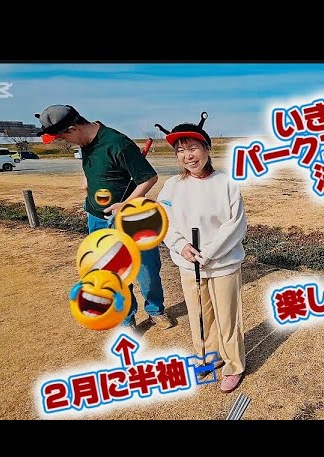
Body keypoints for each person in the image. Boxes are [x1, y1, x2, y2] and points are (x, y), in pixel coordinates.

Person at [35, 104, 171, 330]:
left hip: (132, 219)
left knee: (147, 269)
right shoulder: (85, 142)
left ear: (73, 129)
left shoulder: (118, 143)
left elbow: (148, 178)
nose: (66, 142)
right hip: (98, 219)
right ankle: (126, 317)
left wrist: (125, 205)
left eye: (63, 138)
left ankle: (155, 310)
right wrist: (87, 181)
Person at [156, 114, 247, 394]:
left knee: (227, 318)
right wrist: (179, 244)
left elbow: (235, 225)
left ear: (207, 149)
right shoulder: (172, 186)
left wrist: (207, 253)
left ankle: (234, 365)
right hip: (187, 264)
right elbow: (163, 220)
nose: (188, 156)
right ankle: (208, 357)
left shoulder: (226, 184)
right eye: (180, 150)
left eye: (193, 148)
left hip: (222, 264)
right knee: (199, 315)